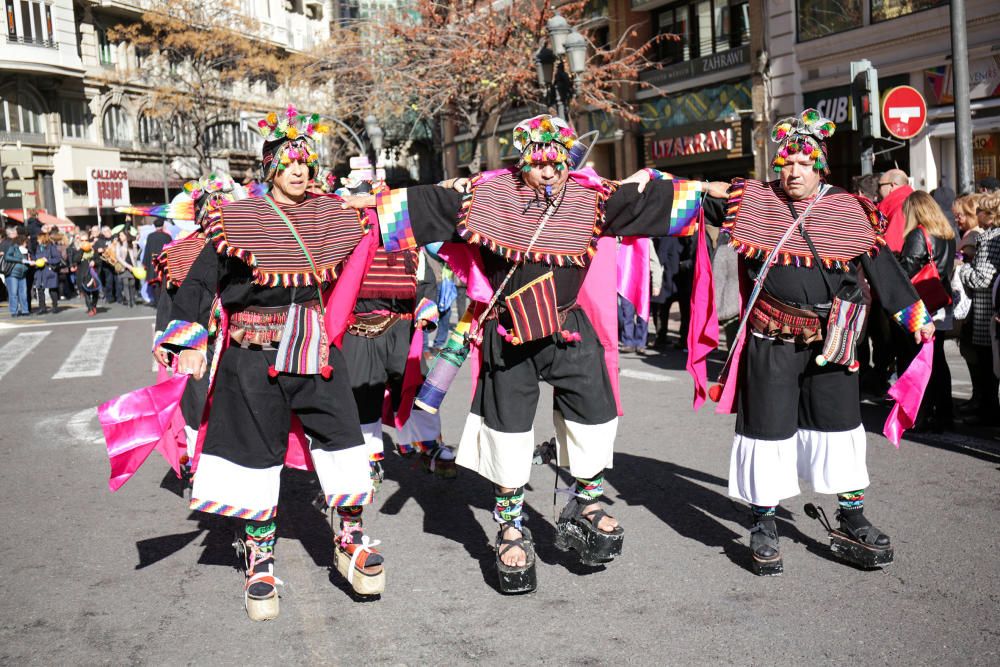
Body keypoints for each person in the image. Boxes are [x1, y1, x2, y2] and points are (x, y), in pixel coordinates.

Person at [345, 113, 717, 592]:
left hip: (568, 327)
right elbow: (429, 204)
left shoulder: (592, 200)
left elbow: (648, 201)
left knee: (596, 413)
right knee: (508, 431)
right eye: (538, 164)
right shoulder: (485, 198)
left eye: (556, 163)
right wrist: (366, 207)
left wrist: (716, 192)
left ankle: (585, 499)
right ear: (523, 162)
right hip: (510, 331)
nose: (548, 172)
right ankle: (511, 525)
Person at [159, 106, 381, 620]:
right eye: (288, 161)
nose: (299, 169)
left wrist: (379, 203)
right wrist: (188, 341)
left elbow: (372, 225)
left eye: (305, 159)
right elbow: (197, 284)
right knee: (255, 457)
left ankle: (349, 536)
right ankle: (259, 556)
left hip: (315, 351)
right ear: (269, 167)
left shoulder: (330, 215)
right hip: (251, 358)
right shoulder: (235, 219)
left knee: (344, 441)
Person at [697, 109, 934, 575]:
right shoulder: (755, 201)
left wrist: (915, 316)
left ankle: (851, 515)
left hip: (835, 340)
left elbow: (880, 267)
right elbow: (691, 206)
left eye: (803, 163)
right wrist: (659, 185)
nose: (793, 172)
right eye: (786, 163)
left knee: (842, 426)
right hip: (772, 336)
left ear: (819, 165)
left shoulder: (848, 208)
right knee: (765, 430)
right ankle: (763, 521)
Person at [897, 191, 956, 431]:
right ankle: (943, 412)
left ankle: (924, 412)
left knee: (920, 360)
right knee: (938, 360)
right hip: (941, 300)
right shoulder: (947, 234)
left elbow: (907, 271)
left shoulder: (917, 234)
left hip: (922, 306)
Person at [957, 191, 1000, 426]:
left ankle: (988, 412)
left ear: (989, 214)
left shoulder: (990, 237)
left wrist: (962, 269)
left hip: (985, 310)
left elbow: (982, 278)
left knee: (986, 366)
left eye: (980, 211)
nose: (977, 215)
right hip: (992, 308)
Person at [877, 169, 913, 253]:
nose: (878, 190)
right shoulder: (911, 201)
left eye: (879, 186)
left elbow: (893, 248)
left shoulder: (899, 207)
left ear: (892, 185)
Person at [143, 218, 173, 306]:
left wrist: (146, 263)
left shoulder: (150, 236)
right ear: (163, 225)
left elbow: (147, 251)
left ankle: (157, 302)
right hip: (164, 263)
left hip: (153, 263)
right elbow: (170, 251)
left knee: (155, 284)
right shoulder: (167, 236)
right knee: (164, 283)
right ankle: (164, 302)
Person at [30, 231, 63, 314]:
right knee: (40, 289)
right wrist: (34, 261)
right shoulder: (38, 247)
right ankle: (42, 308)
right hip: (39, 271)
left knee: (52, 290)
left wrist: (48, 260)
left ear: (42, 239)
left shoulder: (51, 247)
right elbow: (34, 257)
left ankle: (55, 306)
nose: (37, 240)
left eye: (38, 239)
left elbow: (58, 258)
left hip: (49, 271)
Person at [4, 233, 31, 316]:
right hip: (12, 274)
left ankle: (25, 310)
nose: (26, 244)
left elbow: (26, 261)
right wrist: (21, 260)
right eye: (26, 242)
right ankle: (14, 311)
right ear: (22, 241)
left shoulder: (26, 251)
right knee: (13, 293)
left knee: (23, 293)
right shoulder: (13, 248)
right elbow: (7, 257)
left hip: (22, 274)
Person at [112, 229, 141, 308]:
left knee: (132, 284)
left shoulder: (131, 244)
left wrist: (135, 247)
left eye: (122, 235)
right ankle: (128, 301)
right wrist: (128, 266)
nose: (120, 237)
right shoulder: (119, 244)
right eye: (120, 235)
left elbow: (135, 256)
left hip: (132, 267)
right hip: (124, 267)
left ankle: (133, 300)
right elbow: (118, 257)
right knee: (125, 283)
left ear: (126, 236)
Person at [75, 239, 101, 316]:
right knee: (86, 293)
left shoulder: (94, 251)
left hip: (93, 275)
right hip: (83, 275)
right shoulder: (79, 251)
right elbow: (76, 259)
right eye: (82, 240)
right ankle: (90, 308)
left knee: (95, 292)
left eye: (86, 240)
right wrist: (82, 250)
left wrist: (94, 262)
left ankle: (93, 305)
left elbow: (99, 261)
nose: (84, 242)